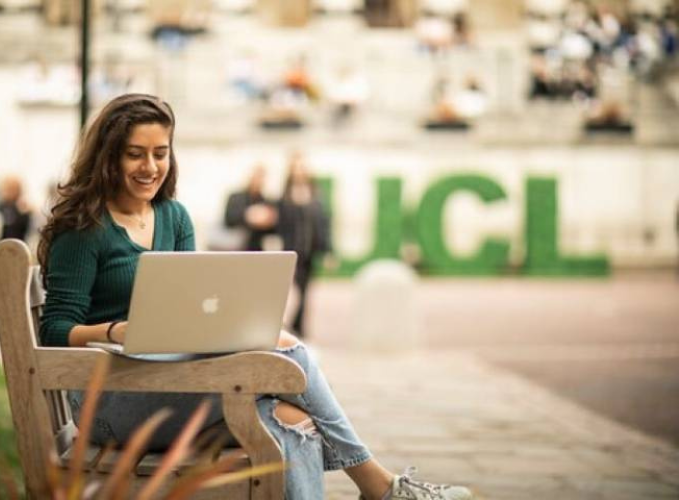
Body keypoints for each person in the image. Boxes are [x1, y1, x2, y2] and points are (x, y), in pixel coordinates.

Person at [37, 94, 473, 500]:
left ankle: (381, 486)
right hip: (112, 399)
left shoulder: (173, 216)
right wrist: (115, 330)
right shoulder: (85, 229)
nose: (150, 166)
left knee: (289, 420)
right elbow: (54, 330)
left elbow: (189, 305)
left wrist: (220, 324)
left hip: (174, 381)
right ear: (108, 157)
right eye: (135, 154)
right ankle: (379, 485)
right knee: (286, 352)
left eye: (161, 152)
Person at [276, 153, 332, 338]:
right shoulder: (285, 195)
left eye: (302, 168)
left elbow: (323, 224)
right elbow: (280, 223)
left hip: (310, 251)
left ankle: (299, 328)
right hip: (291, 250)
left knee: (306, 292)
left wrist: (327, 250)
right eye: (296, 168)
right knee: (294, 291)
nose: (300, 172)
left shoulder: (315, 194)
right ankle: (291, 326)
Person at [223, 164, 277, 251]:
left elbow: (273, 230)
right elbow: (228, 219)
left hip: (257, 249)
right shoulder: (235, 197)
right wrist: (248, 216)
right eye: (256, 176)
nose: (258, 180)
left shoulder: (267, 202)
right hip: (235, 248)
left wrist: (268, 220)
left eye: (261, 177)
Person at [0, 176, 32, 242]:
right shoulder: (2, 205)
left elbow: (25, 228)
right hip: (3, 245)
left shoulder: (22, 206)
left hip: (18, 245)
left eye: (11, 189)